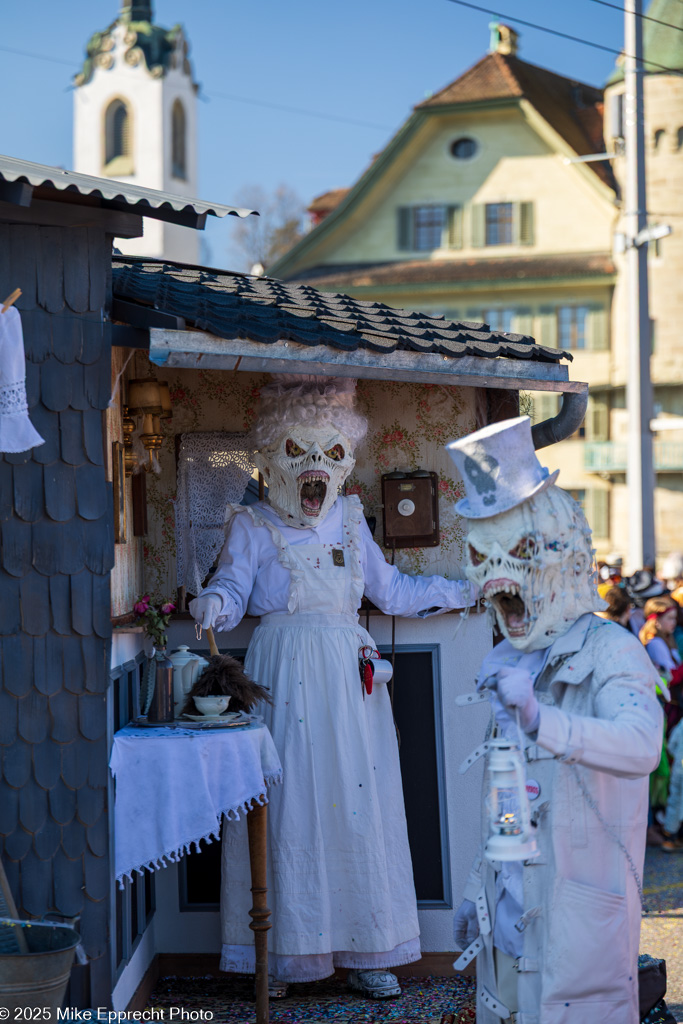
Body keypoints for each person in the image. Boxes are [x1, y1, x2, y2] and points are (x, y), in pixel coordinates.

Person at [189, 375, 477, 999]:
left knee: (357, 805)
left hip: (349, 683)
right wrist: (213, 600)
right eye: (299, 452)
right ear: (273, 456)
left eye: (330, 453)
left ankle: (368, 949)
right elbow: (234, 593)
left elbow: (392, 590)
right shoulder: (251, 524)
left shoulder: (349, 519)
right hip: (282, 677)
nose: (315, 469)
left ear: (345, 460)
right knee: (288, 807)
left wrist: (465, 591)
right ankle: (284, 956)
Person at [447, 416, 662, 1024]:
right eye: (483, 557)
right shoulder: (506, 664)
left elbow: (642, 743)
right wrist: (476, 889)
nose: (499, 579)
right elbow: (508, 795)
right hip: (509, 921)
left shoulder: (612, 650)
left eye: (515, 554)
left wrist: (546, 722)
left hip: (577, 914)